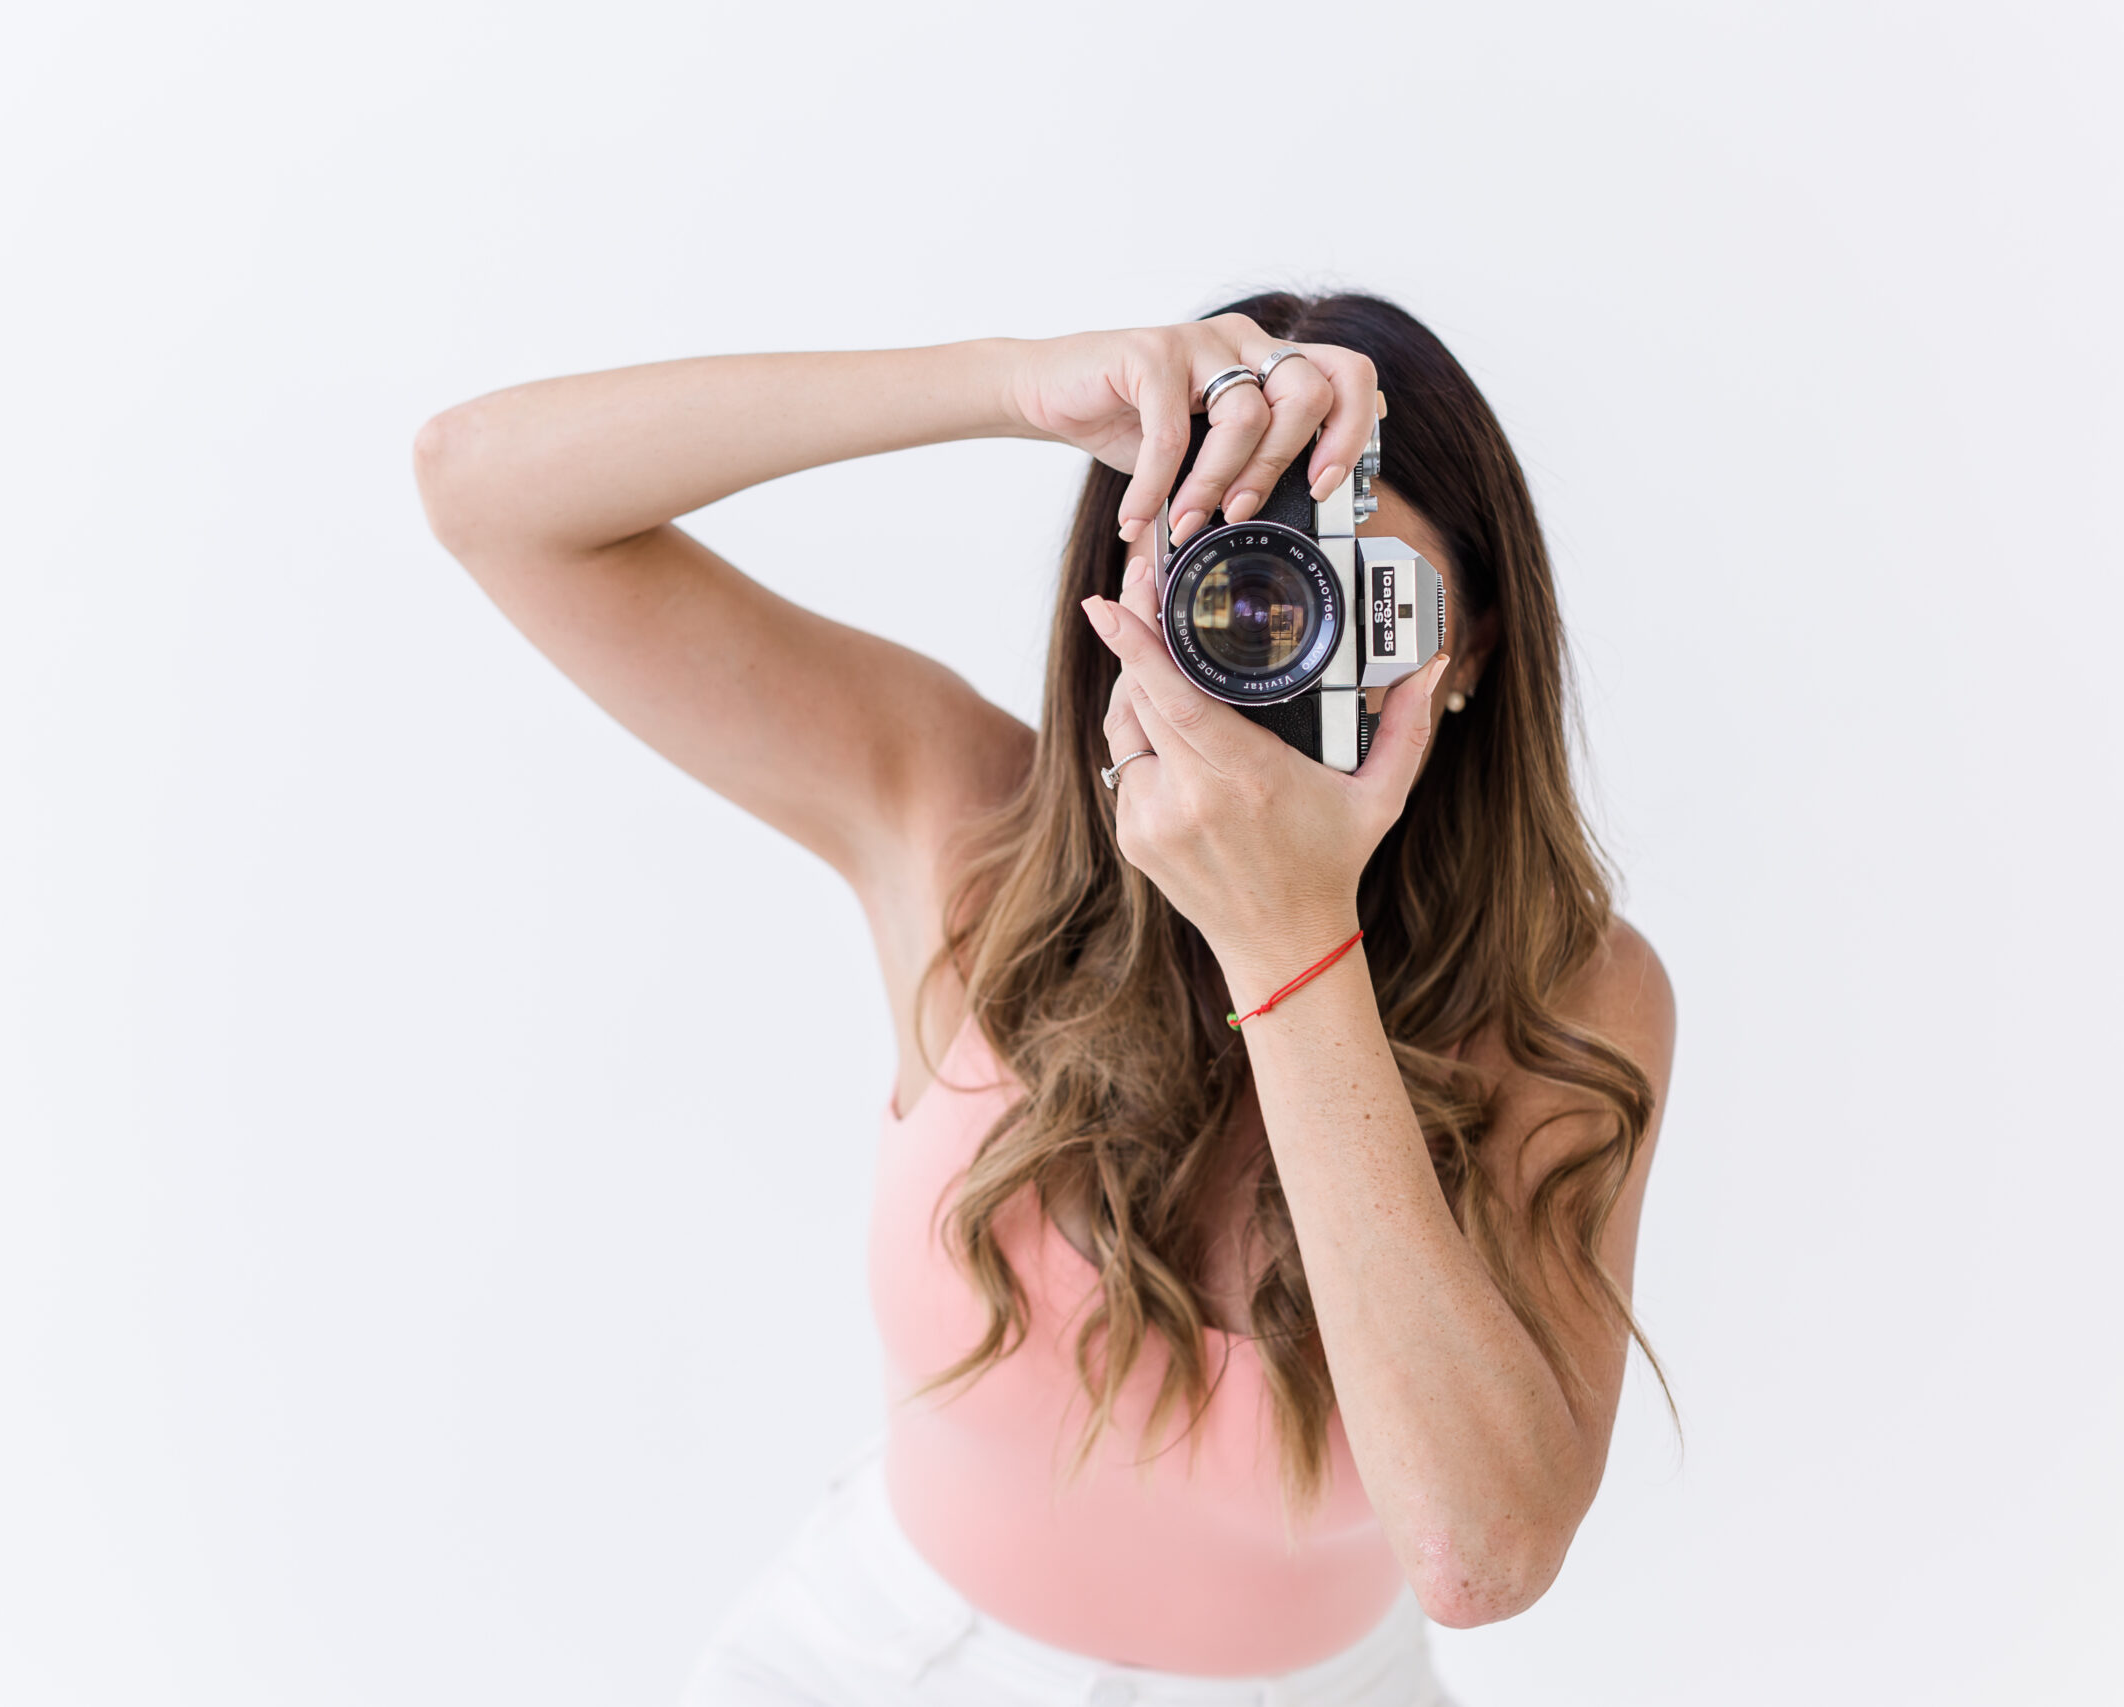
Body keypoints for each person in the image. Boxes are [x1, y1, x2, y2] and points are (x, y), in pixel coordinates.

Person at [414, 292, 1676, 1707]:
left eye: (1326, 591)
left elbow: (1478, 1558)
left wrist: (1290, 942)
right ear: (1129, 587)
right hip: (875, 1665)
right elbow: (484, 489)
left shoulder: (1569, 1001)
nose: (1265, 635)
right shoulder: (964, 827)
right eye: (1227, 573)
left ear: (1468, 649)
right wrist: (1014, 384)